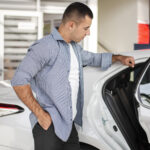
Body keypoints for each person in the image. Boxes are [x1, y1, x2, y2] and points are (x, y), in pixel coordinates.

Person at [11, 2, 135, 150]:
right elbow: (19, 80)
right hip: (49, 126)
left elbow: (94, 59)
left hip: (69, 126)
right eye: (86, 28)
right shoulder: (45, 47)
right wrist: (40, 115)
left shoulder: (75, 48)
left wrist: (119, 58)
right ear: (71, 25)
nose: (88, 32)